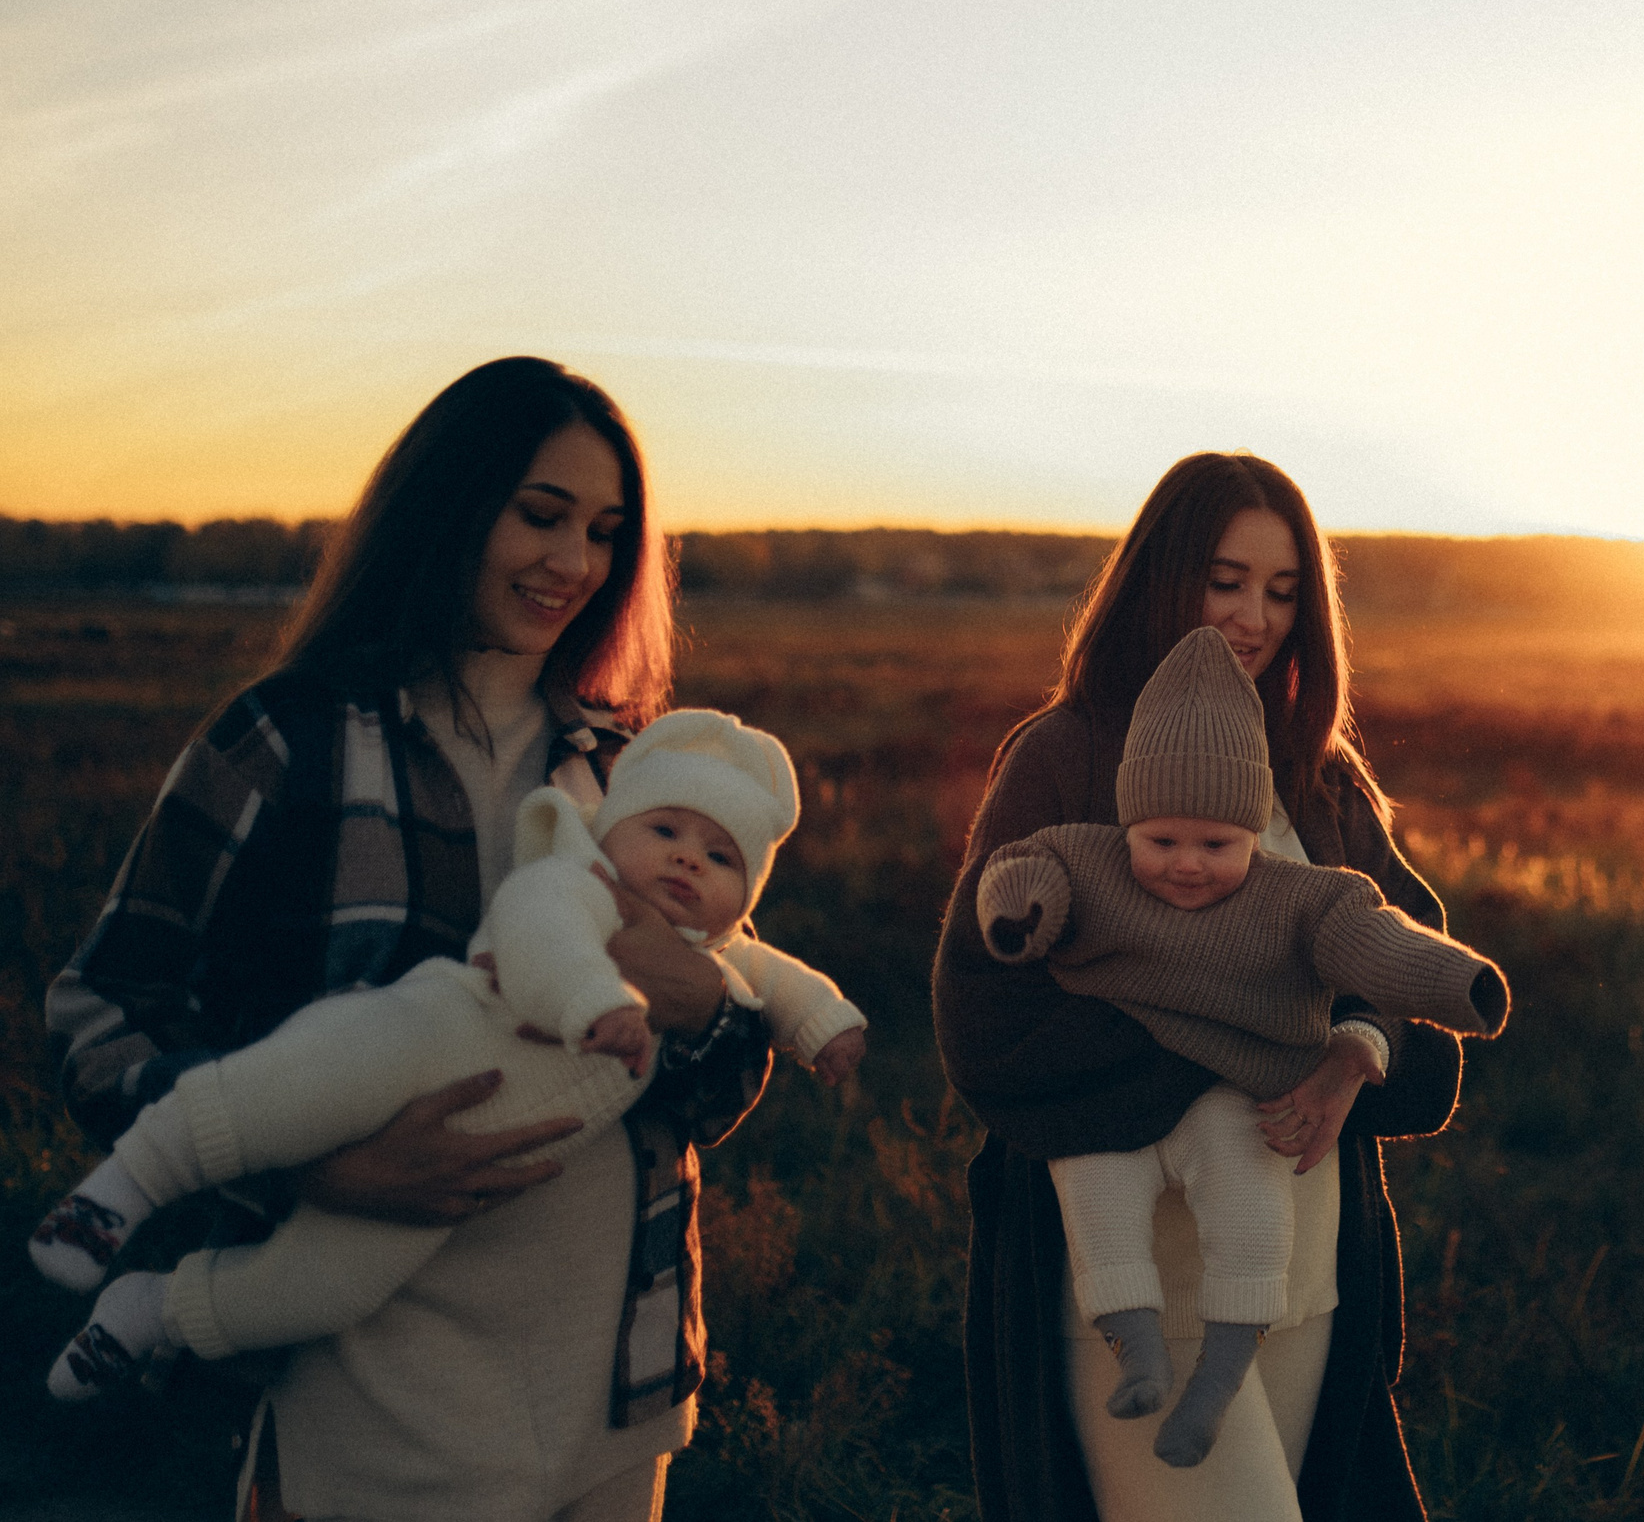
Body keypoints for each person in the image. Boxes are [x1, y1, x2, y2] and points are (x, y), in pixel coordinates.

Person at [46, 358, 773, 1522]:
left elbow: (717, 1081)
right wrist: (301, 1162)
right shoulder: (288, 739)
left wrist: (707, 1011)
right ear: (449, 504)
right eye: (539, 514)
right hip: (372, 1390)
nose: (574, 562)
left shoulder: (636, 764)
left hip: (614, 1387)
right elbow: (104, 1010)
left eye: (604, 532)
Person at [37, 708, 869, 1402]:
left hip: (476, 1188)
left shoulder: (719, 953)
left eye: (722, 856)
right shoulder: (575, 879)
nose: (689, 857)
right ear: (610, 829)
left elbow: (777, 988)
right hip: (418, 1040)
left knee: (330, 1287)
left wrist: (824, 1024)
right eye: (665, 829)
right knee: (280, 1092)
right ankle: (124, 1186)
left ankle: (158, 1310)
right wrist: (599, 1002)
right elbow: (542, 941)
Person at [933, 451, 1467, 1522]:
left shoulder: (1320, 778)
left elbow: (1414, 1006)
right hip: (1130, 1281)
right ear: (1162, 576)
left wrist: (1350, 1057)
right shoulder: (1065, 755)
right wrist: (1252, 1040)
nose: (1253, 618)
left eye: (1282, 591)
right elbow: (986, 1023)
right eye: (1225, 581)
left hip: (1302, 1275)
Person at [971, 625, 1507, 1470]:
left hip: (1246, 1105)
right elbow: (1025, 869)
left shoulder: (1294, 892)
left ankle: (1219, 1372)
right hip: (1109, 1114)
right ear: (1126, 820)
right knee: (1094, 1188)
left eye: (1215, 845)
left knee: (1253, 1195)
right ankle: (1136, 1345)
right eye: (1161, 841)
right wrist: (1017, 915)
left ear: (1253, 833)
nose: (1187, 864)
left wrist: (1455, 985)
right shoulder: (1089, 848)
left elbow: (1375, 938)